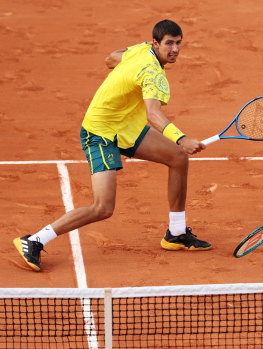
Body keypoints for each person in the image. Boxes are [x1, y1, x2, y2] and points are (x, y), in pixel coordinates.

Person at [13, 19, 212, 272]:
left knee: (177, 159)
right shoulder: (153, 75)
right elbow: (153, 114)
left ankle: (176, 233)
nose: (174, 49)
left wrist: (127, 72)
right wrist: (182, 139)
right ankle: (34, 240)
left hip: (125, 125)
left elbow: (110, 58)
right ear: (156, 43)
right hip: (101, 132)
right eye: (169, 44)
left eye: (178, 43)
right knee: (103, 207)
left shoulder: (140, 50)